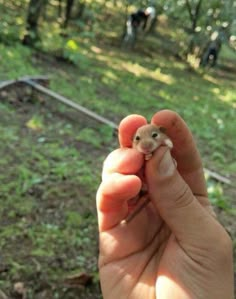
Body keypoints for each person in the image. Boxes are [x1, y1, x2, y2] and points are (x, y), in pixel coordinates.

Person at [96, 110, 234, 299]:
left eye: (153, 136)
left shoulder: (166, 148)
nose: (145, 144)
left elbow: (168, 144)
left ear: (161, 133)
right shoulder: (138, 155)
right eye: (138, 140)